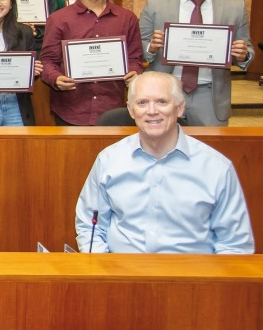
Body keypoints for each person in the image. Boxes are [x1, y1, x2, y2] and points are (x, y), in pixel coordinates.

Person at [75, 72, 253, 254]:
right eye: (142, 103)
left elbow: (235, 245)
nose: (152, 111)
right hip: (122, 275)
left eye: (162, 102)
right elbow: (90, 227)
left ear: (180, 108)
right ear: (130, 110)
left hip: (192, 278)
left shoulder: (216, 167)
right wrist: (105, 274)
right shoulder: (109, 160)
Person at [138, 0, 252, 126]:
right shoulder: (156, 4)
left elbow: (248, 51)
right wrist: (151, 47)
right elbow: (138, 48)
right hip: (165, 92)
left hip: (209, 94)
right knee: (161, 149)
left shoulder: (235, 7)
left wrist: (243, 54)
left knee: (209, 150)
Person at [40, 0, 144, 125]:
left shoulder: (127, 18)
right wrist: (56, 78)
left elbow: (135, 58)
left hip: (113, 109)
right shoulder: (58, 19)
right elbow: (48, 61)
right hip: (71, 109)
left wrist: (134, 71)